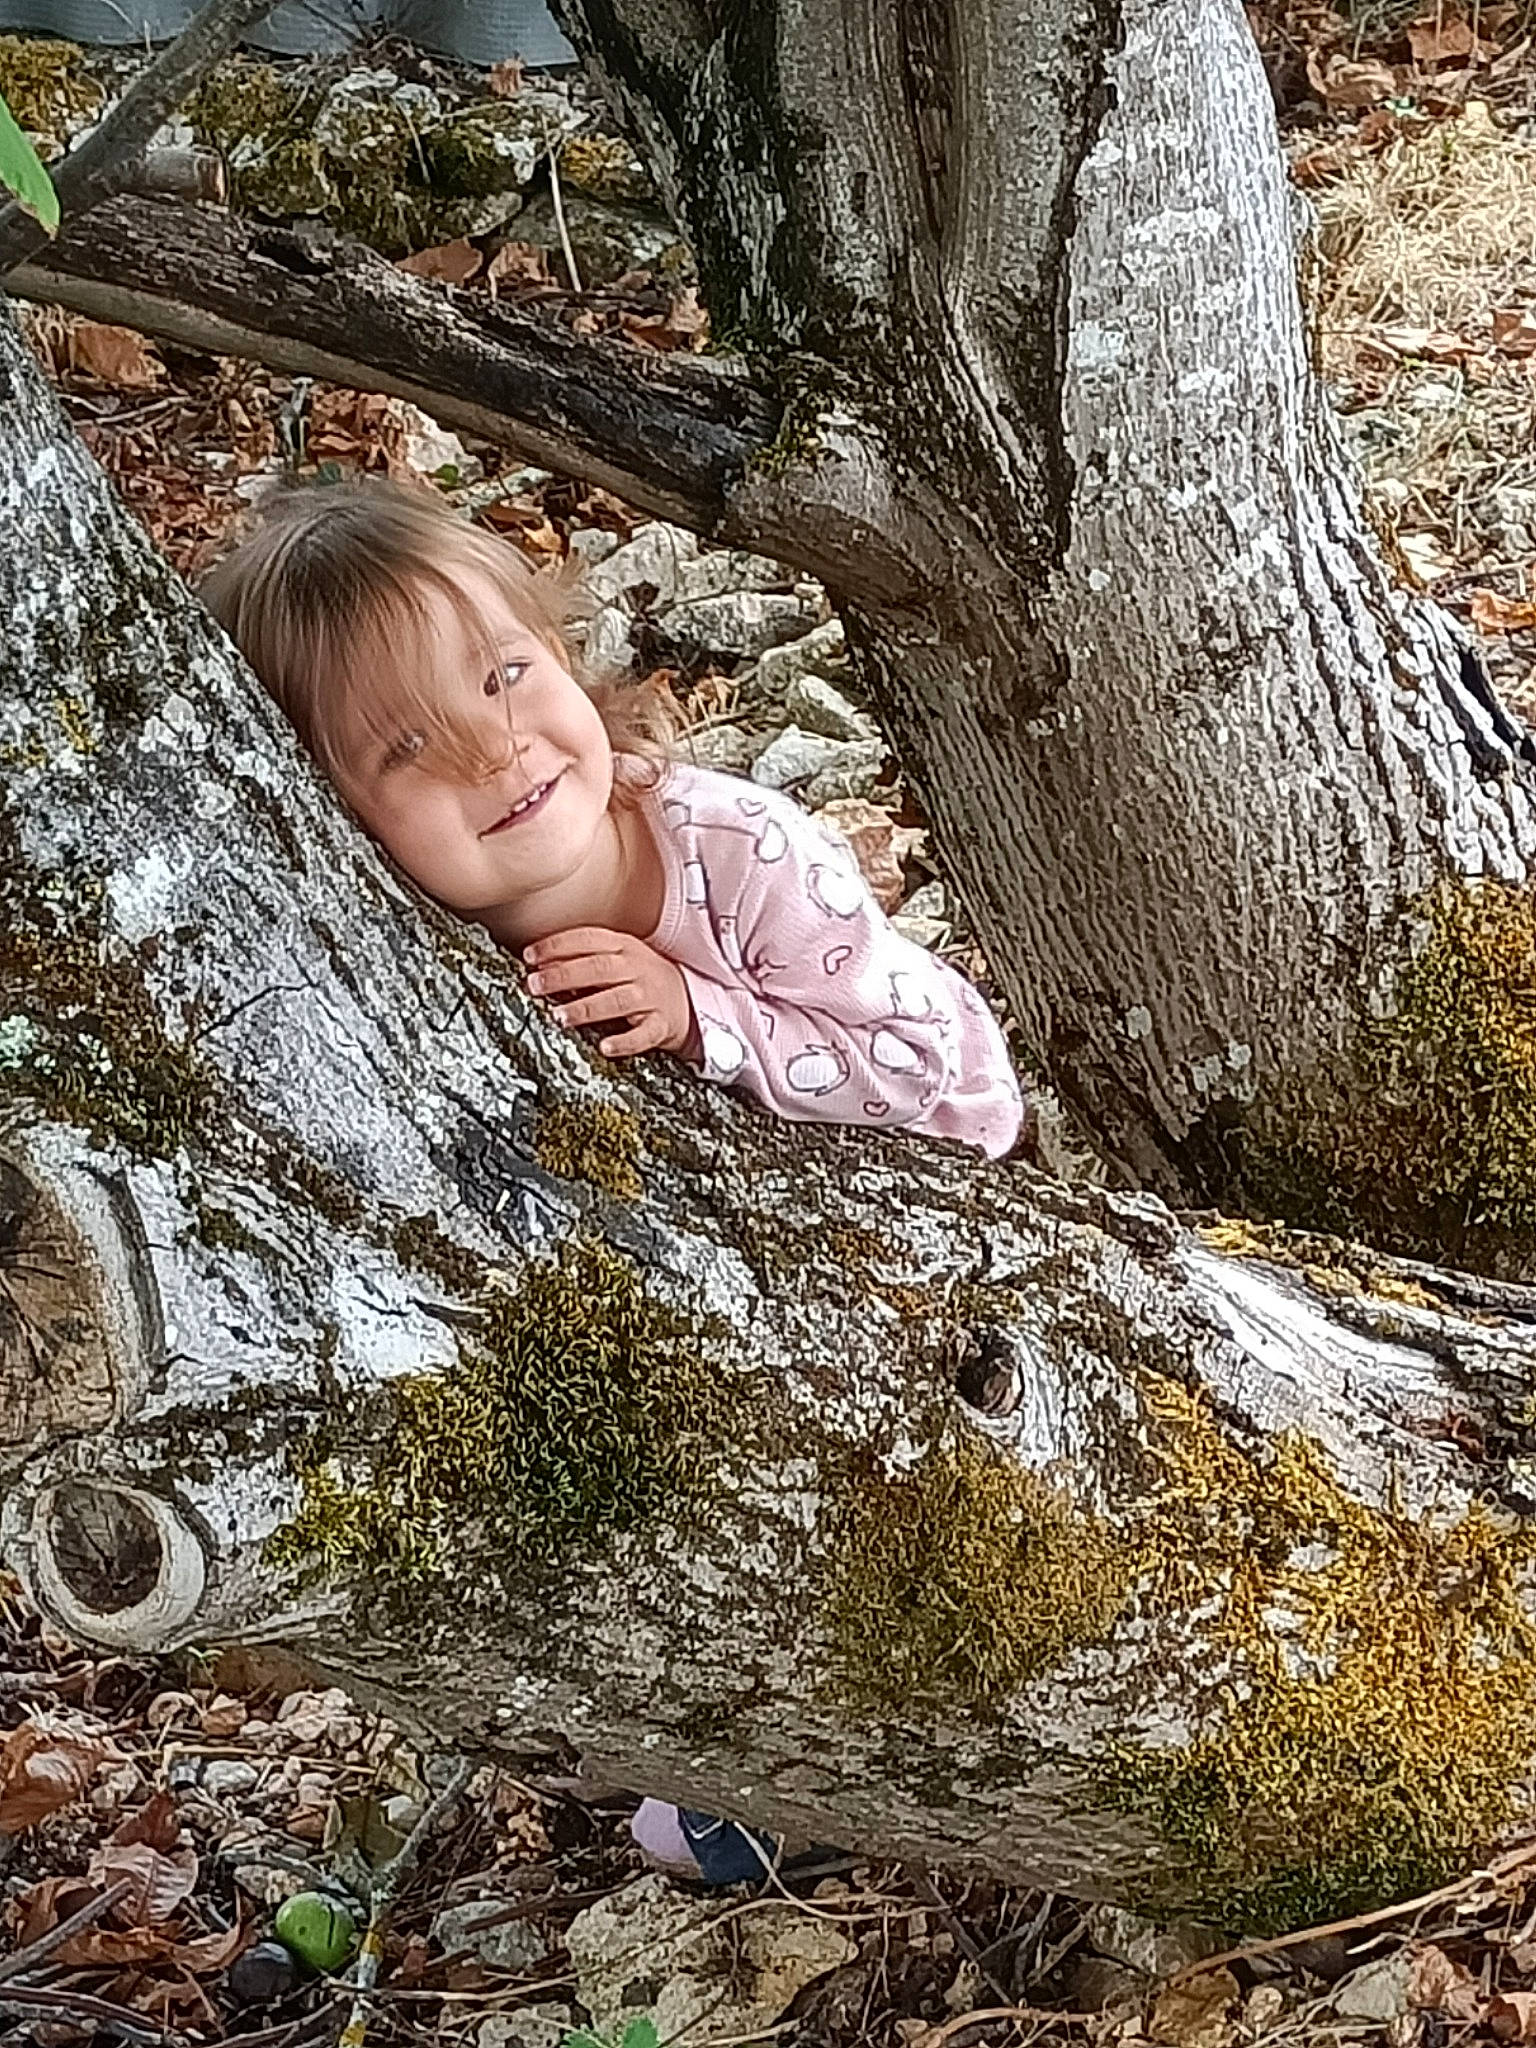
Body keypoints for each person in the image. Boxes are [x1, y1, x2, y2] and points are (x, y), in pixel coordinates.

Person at [201, 476, 1026, 1879]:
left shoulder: (737, 851)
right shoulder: (408, 966)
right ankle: (747, 1765)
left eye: (507, 674)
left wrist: (706, 1016)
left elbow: (939, 1072)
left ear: (557, 650)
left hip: (933, 1235)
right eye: (413, 745)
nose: (497, 749)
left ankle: (830, 1770)